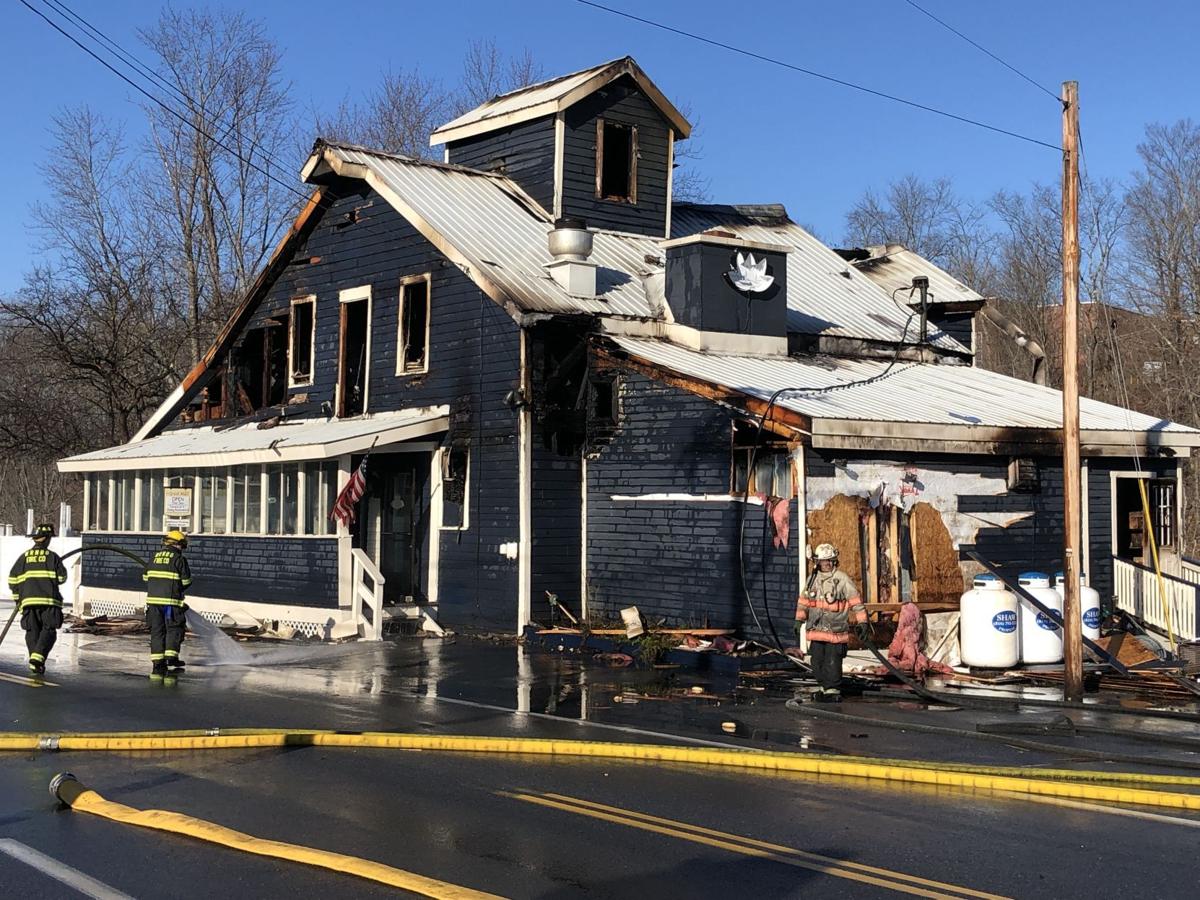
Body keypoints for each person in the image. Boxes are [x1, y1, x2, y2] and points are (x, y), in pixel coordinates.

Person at [795, 543, 868, 702]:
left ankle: (833, 689)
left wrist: (863, 622)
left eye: (830, 560)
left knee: (833, 661)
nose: (827, 564)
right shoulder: (812, 580)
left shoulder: (842, 579)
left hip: (836, 632)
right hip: (816, 631)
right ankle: (824, 687)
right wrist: (799, 620)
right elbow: (804, 602)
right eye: (824, 561)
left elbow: (856, 602)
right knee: (816, 661)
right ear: (818, 562)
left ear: (834, 561)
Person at [7, 523, 68, 675]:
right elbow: (62, 578)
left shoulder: (24, 557)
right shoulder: (53, 557)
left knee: (32, 631)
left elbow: (13, 579)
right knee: (49, 630)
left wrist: (18, 601)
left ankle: (35, 661)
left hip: (28, 602)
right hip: (49, 602)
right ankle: (38, 658)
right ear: (47, 540)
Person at [143, 530, 192, 678]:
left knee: (157, 631)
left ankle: (158, 663)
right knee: (174, 629)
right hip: (171, 602)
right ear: (179, 544)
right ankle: (171, 658)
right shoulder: (179, 559)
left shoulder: (153, 557)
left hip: (153, 602)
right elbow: (186, 581)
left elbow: (146, 578)